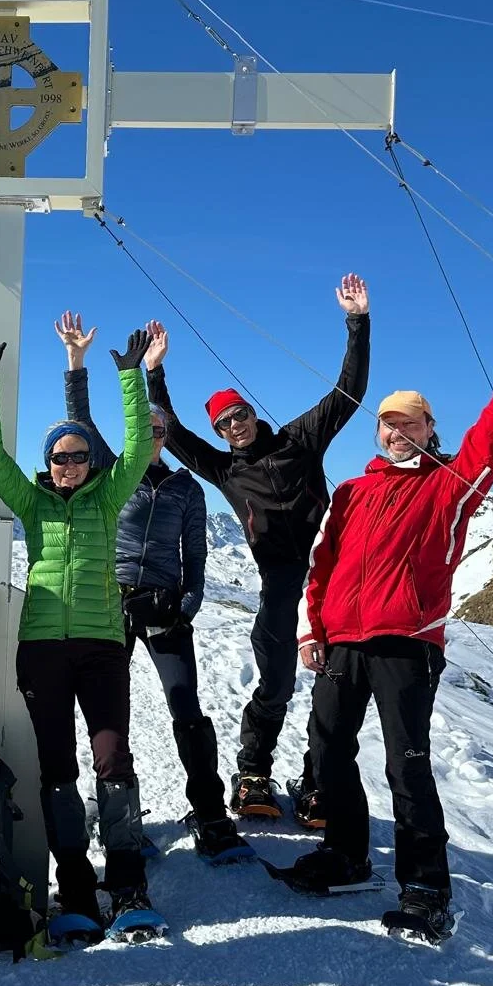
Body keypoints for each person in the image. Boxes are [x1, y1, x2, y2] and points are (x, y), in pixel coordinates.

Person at [292, 292, 493, 936]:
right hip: (341, 642)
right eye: (388, 423)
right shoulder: (352, 491)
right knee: (326, 752)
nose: (397, 431)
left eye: (410, 423)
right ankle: (347, 855)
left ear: (429, 430)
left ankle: (425, 888)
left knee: (406, 764)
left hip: (407, 641)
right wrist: (310, 630)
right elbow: (321, 565)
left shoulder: (448, 485)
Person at [145, 275, 371, 823]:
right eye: (223, 424)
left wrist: (357, 324)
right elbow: (170, 432)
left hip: (332, 578)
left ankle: (318, 778)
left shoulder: (300, 441)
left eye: (238, 416)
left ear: (251, 412)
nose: (234, 428)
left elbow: (348, 393)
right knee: (274, 683)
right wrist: (154, 372)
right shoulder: (225, 469)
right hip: (278, 586)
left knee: (336, 685)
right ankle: (253, 772)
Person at [0, 327, 159, 937]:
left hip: (103, 648)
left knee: (114, 763)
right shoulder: (33, 504)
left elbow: (134, 443)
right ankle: (74, 887)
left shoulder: (109, 497)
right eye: (59, 456)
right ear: (47, 464)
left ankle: (126, 885)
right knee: (57, 771)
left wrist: (132, 376)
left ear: (90, 463)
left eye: (78, 456)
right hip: (43, 652)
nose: (69, 464)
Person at [55, 312, 250, 865]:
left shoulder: (188, 489)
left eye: (162, 431)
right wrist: (77, 363)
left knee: (185, 706)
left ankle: (210, 813)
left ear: (167, 437)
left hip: (165, 606)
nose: (156, 437)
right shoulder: (112, 470)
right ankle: (121, 816)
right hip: (110, 603)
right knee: (108, 713)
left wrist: (186, 606)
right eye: (148, 428)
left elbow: (197, 554)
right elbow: (81, 422)